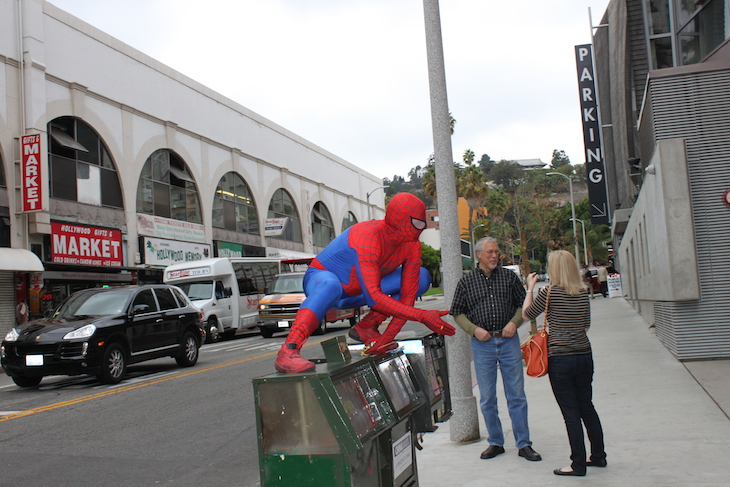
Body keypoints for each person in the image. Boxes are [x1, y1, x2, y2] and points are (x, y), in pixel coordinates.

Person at [275, 192, 455, 373]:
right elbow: (374, 298)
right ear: (398, 219)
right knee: (331, 285)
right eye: (417, 223)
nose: (421, 229)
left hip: (356, 291)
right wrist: (422, 316)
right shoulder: (368, 236)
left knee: (421, 277)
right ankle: (289, 349)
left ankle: (367, 327)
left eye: (423, 223)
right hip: (322, 280)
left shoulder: (411, 244)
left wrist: (385, 339)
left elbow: (408, 296)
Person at [450, 237, 542, 462]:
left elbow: (524, 306)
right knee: (488, 397)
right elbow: (457, 312)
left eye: (496, 252)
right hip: (482, 346)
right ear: (479, 254)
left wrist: (514, 323)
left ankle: (524, 444)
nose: (494, 256)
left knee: (516, 395)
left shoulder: (509, 278)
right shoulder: (466, 282)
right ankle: (496, 441)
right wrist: (474, 330)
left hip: (509, 342)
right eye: (490, 252)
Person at [523, 250, 607, 477]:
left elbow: (527, 314)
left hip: (561, 358)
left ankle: (577, 464)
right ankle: (598, 456)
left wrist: (529, 288)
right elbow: (586, 325)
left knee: (570, 412)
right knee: (587, 407)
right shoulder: (582, 292)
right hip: (583, 354)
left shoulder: (548, 292)